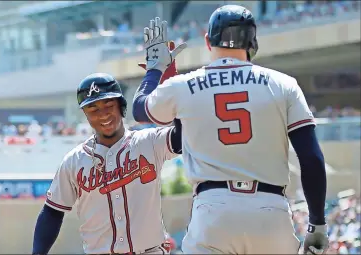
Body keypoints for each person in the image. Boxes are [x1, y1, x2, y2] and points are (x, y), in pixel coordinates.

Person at [132, 6, 329, 255]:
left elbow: (140, 110)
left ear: (207, 40)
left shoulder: (184, 85)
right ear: (253, 41)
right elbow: (311, 158)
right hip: (270, 212)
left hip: (213, 211)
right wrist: (317, 224)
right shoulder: (283, 84)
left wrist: (156, 70)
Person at [32, 60, 181, 255]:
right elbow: (52, 212)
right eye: (93, 109)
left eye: (109, 104)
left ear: (121, 105)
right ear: (85, 115)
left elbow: (183, 135)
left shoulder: (149, 141)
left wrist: (170, 76)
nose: (103, 115)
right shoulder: (74, 161)